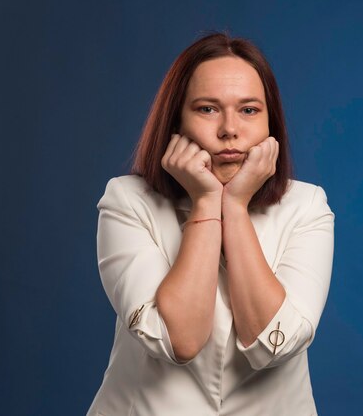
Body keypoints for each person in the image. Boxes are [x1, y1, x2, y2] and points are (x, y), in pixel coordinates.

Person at [87, 32, 335, 416]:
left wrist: (234, 206)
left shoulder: (306, 206)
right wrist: (207, 201)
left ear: (271, 123)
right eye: (207, 109)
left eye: (249, 110)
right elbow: (177, 340)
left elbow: (276, 344)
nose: (229, 130)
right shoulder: (127, 200)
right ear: (176, 121)